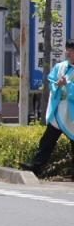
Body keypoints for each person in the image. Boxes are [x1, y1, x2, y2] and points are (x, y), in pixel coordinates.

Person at [23, 40, 74, 176]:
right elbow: (51, 80)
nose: (68, 53)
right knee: (47, 140)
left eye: (71, 50)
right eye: (67, 49)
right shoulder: (60, 66)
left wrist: (68, 84)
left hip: (72, 112)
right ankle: (36, 167)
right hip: (59, 110)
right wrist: (56, 85)